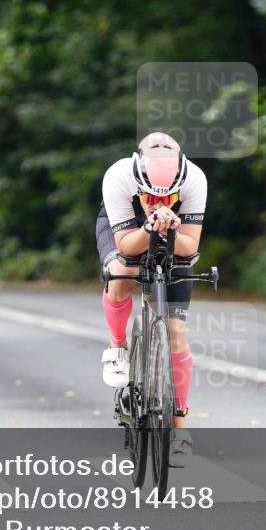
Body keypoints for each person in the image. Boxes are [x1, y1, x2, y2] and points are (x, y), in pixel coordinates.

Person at [95, 132, 206, 466]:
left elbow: (191, 247)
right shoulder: (118, 177)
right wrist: (148, 230)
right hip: (126, 229)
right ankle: (117, 345)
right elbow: (127, 246)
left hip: (173, 235)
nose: (158, 200)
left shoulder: (194, 181)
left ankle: (180, 428)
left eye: (169, 196)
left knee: (177, 334)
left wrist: (171, 230)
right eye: (149, 194)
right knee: (122, 273)